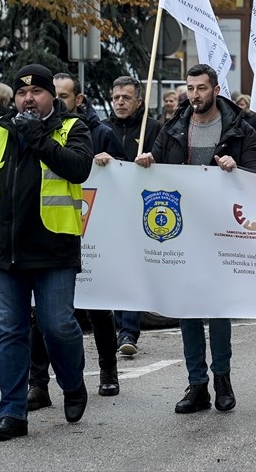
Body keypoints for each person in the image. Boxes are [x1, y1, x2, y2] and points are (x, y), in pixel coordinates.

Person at [0, 64, 93, 441]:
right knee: (10, 332)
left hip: (53, 247)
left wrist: (39, 139)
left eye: (36, 93)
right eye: (21, 93)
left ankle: (72, 383)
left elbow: (79, 169)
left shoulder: (72, 128)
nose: (28, 99)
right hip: (3, 247)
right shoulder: (0, 129)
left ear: (51, 97)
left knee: (57, 325)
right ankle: (12, 413)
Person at [135, 63, 256, 414]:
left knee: (217, 308)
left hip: (222, 230)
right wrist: (146, 161)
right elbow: (156, 168)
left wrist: (236, 168)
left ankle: (222, 377)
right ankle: (197, 384)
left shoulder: (240, 129)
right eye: (190, 88)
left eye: (201, 88)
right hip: (181, 230)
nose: (194, 95)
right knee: (188, 308)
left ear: (216, 88)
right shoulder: (173, 127)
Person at [22, 73, 123, 412]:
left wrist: (111, 162)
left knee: (97, 305)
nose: (60, 100)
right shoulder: (33, 127)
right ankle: (39, 383)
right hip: (57, 228)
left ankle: (108, 369)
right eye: (57, 94)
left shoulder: (99, 132)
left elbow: (127, 178)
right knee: (44, 316)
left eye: (65, 95)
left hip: (97, 227)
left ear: (77, 99)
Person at [100, 75, 159, 356]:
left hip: (141, 207)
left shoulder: (154, 128)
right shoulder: (102, 129)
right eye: (116, 98)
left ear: (139, 100)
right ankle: (113, 326)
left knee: (132, 268)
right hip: (110, 208)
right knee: (112, 269)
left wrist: (150, 160)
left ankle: (129, 331)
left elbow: (165, 163)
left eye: (126, 97)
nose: (120, 102)